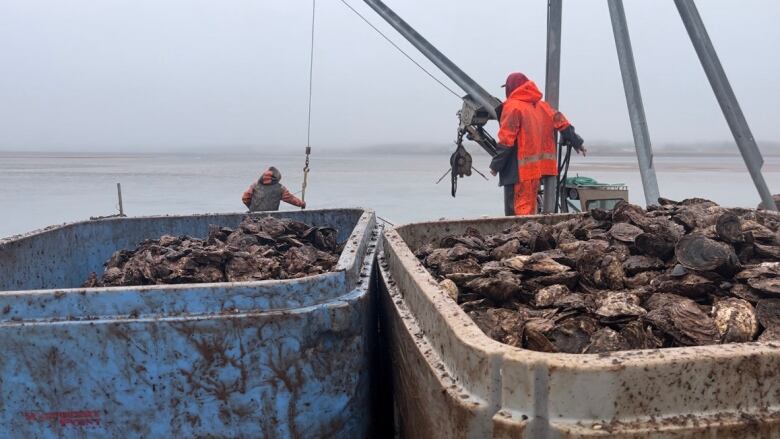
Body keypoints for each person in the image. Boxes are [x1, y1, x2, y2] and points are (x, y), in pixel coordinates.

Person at [489, 72, 585, 216]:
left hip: (519, 172)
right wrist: (577, 142)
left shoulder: (512, 107)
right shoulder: (542, 106)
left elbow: (506, 140)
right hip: (536, 171)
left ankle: (521, 237)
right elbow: (561, 122)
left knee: (518, 214)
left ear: (511, 87)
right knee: (529, 210)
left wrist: (496, 165)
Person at [241, 166, 306, 211]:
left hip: (253, 215)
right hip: (271, 218)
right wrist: (301, 204)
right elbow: (290, 199)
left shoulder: (255, 185)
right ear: (277, 178)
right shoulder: (280, 188)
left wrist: (251, 208)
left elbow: (245, 198)